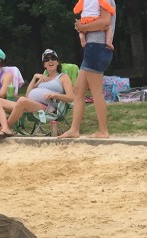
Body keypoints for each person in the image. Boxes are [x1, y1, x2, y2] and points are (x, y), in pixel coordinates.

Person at [58, 4, 115, 139]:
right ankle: (74, 129)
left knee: (96, 91)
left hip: (97, 47)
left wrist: (83, 27)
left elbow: (105, 22)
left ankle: (103, 130)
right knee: (78, 90)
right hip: (93, 47)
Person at [0, 49, 73, 137]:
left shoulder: (63, 77)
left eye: (53, 58)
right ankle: (5, 127)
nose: (50, 61)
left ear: (57, 62)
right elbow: (28, 94)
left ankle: (4, 128)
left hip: (48, 107)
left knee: (22, 100)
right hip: (29, 105)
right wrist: (34, 77)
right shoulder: (42, 78)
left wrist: (55, 95)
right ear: (44, 64)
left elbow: (71, 97)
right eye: (47, 59)